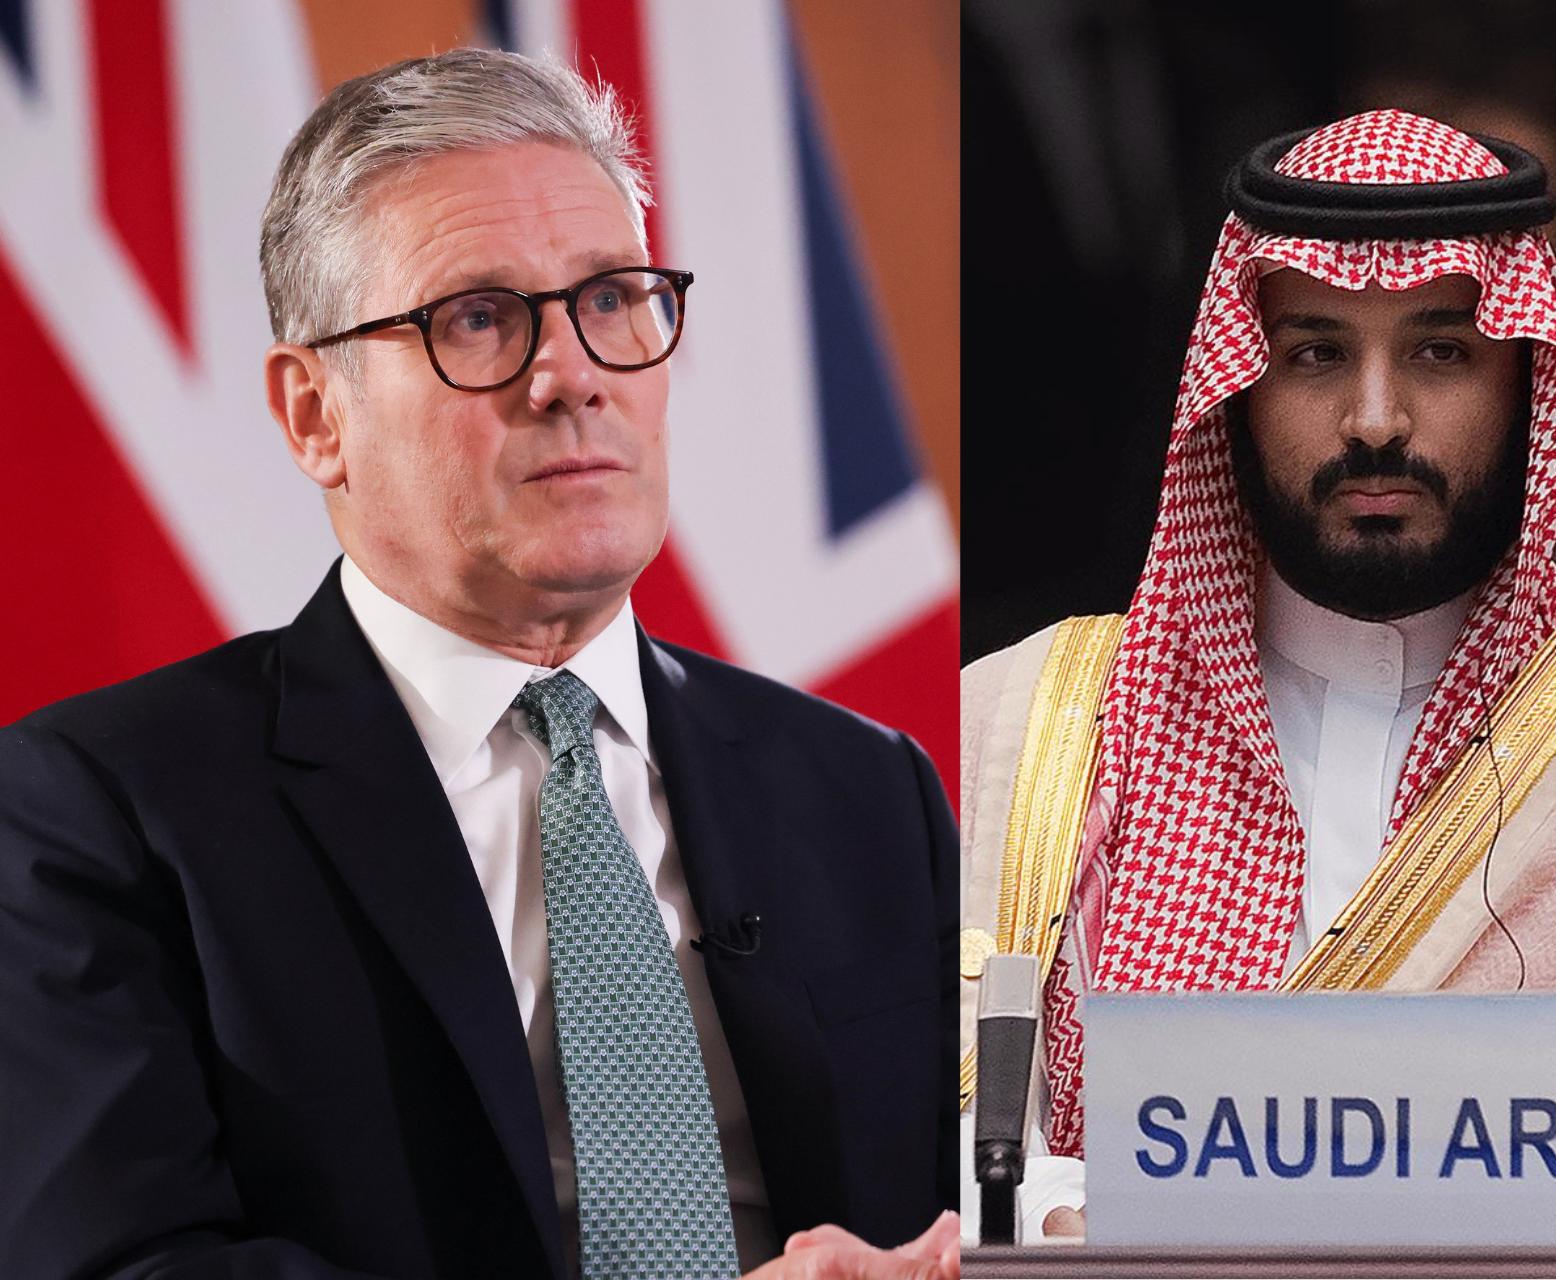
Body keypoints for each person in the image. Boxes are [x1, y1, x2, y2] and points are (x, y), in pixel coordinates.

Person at [0, 49, 957, 1280]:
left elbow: (981, 1190)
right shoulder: (97, 813)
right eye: (477, 319)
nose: (572, 377)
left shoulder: (868, 789)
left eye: (613, 297)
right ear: (313, 415)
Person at [958, 108, 1556, 1243]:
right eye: (1313, 351)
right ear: (1235, 389)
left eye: (1440, 350)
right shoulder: (1009, 733)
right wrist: (1071, 1213)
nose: (1376, 420)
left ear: (1527, 384)